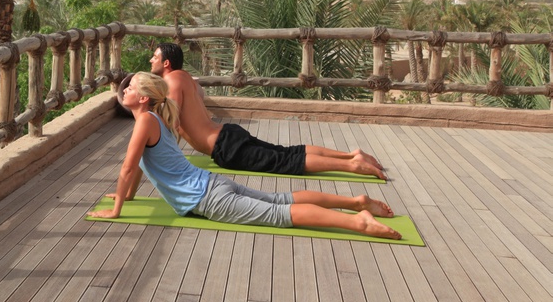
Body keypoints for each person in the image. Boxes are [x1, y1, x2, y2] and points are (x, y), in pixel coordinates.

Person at [89, 72, 400, 239]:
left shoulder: (145, 121)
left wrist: (116, 210)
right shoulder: (156, 119)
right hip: (214, 184)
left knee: (281, 213)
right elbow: (143, 166)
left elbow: (129, 168)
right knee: (282, 200)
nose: (124, 90)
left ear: (143, 98)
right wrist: (127, 197)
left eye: (129, 88)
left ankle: (359, 222)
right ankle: (355, 202)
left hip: (208, 199)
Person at [148, 42, 386, 180]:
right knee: (286, 152)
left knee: (284, 161)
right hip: (228, 134)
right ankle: (350, 154)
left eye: (155, 57)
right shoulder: (187, 78)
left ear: (166, 63)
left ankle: (352, 165)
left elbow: (173, 122)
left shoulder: (172, 83)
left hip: (225, 148)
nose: (151, 60)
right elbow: (196, 100)